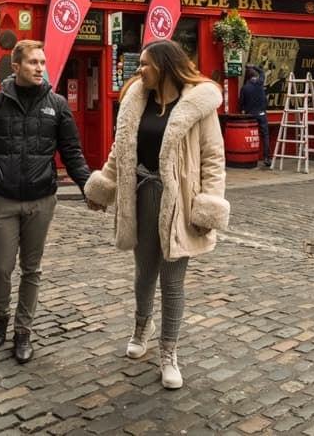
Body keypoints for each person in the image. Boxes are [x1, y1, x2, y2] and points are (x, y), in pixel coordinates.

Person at [84, 40, 229, 390]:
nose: (138, 71)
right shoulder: (136, 101)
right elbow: (121, 152)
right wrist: (105, 187)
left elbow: (213, 159)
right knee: (143, 272)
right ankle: (141, 326)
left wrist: (207, 204)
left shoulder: (198, 105)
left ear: (164, 66)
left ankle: (169, 352)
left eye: (145, 65)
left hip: (179, 201)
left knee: (173, 280)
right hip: (140, 196)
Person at [0, 39, 91, 364]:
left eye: (42, 62)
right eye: (33, 62)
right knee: (1, 268)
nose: (40, 68)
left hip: (41, 199)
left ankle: (23, 331)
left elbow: (72, 152)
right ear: (16, 67)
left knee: (31, 269)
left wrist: (88, 186)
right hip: (4, 200)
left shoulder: (58, 104)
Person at [239, 64, 271, 167]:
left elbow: (241, 104)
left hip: (250, 116)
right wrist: (253, 66)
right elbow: (262, 72)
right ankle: (266, 157)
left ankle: (249, 157)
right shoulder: (260, 83)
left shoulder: (244, 88)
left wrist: (243, 110)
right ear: (254, 76)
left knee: (250, 136)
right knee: (265, 136)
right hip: (261, 114)